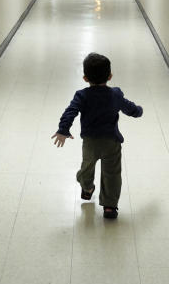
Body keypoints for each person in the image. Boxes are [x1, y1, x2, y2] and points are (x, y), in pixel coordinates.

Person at [51, 52, 143, 219]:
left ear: (85, 78)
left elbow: (70, 112)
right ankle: (110, 205)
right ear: (110, 76)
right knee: (112, 174)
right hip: (111, 142)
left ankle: (87, 188)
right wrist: (138, 111)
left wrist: (63, 129)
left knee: (86, 168)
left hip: (90, 142)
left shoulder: (82, 95)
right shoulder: (115, 94)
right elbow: (129, 108)